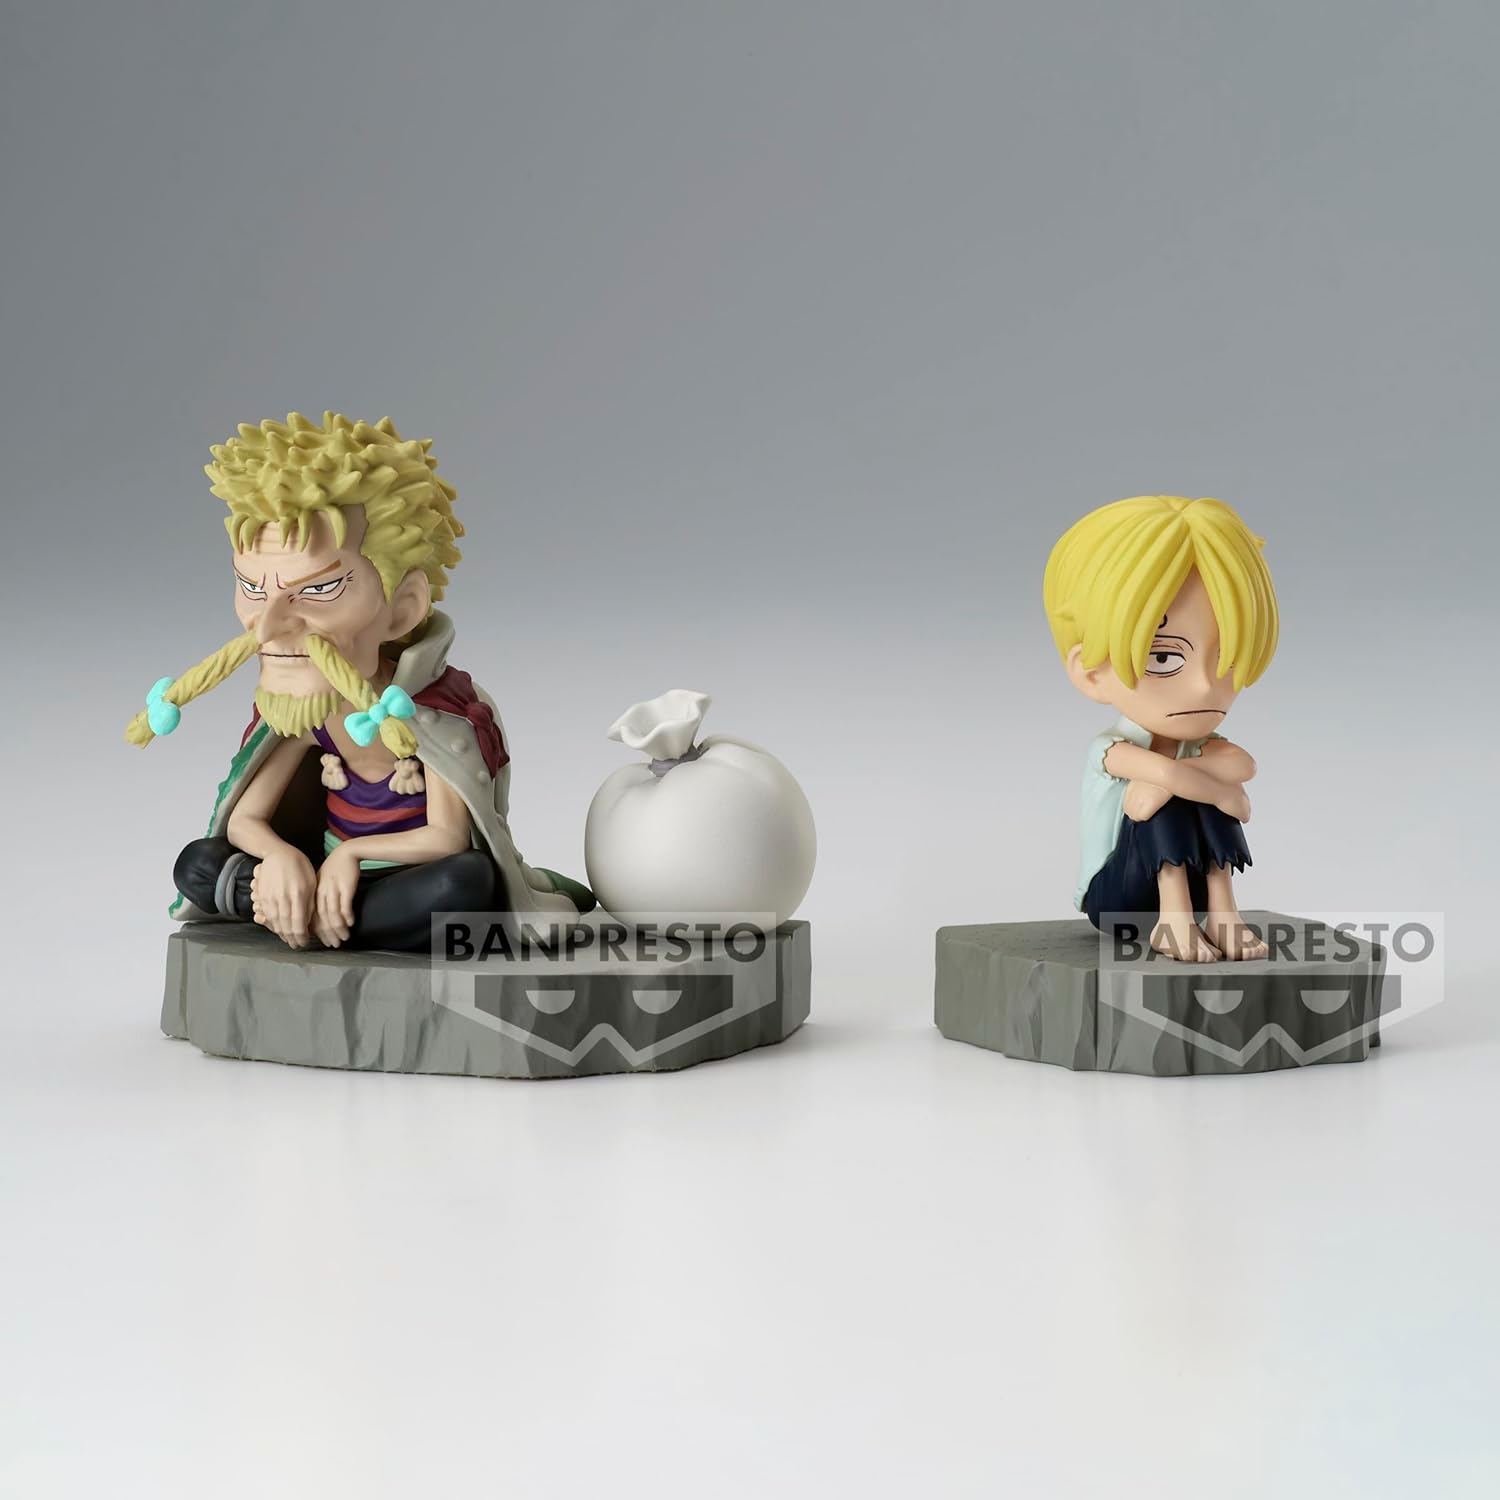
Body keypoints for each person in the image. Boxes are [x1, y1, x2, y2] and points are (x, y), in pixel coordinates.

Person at [125, 412, 590, 952]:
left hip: (398, 879)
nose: (269, 626)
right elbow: (245, 819)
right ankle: (309, 911)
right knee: (197, 864)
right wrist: (282, 857)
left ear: (402, 607)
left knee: (466, 882)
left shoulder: (434, 711)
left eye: (319, 590)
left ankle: (307, 919)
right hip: (316, 874)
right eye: (252, 588)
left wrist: (350, 856)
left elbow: (447, 836)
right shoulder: (306, 713)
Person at [1043, 495, 1278, 962]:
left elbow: (1245, 766)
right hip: (1118, 899)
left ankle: (1223, 913)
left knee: (1170, 789)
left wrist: (1211, 788)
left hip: (1196, 884)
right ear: (1090, 673)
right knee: (1161, 796)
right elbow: (1161, 784)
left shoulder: (1203, 744)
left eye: (1227, 658)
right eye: (1165, 657)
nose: (1203, 686)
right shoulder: (1111, 749)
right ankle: (1173, 922)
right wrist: (1225, 795)